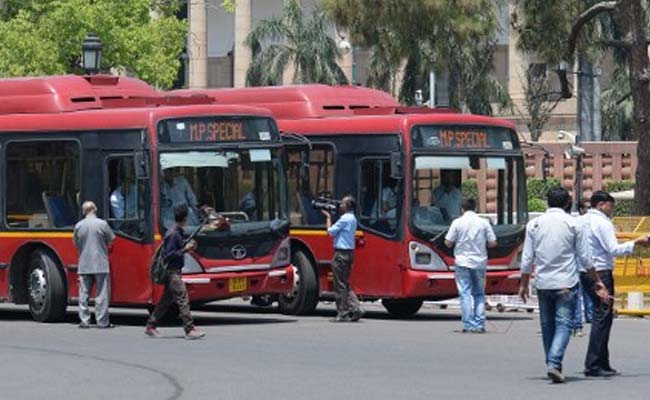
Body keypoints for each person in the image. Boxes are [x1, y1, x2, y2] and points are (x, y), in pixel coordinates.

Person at [519, 187, 611, 383]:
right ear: (567, 203)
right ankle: (554, 362)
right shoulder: (574, 224)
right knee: (564, 325)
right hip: (566, 283)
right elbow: (586, 259)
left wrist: (523, 283)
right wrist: (597, 282)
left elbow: (527, 258)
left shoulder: (534, 224)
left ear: (547, 202)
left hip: (543, 282)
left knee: (547, 325)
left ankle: (553, 363)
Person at [580, 191, 648, 377]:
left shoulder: (582, 221)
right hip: (601, 272)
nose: (612, 210)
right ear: (602, 204)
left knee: (603, 315)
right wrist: (637, 242)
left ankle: (602, 361)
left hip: (585, 271)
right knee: (602, 316)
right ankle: (594, 363)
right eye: (611, 206)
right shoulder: (602, 223)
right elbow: (613, 249)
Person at [145, 204, 206, 340]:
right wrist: (185, 249)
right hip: (172, 272)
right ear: (185, 218)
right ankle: (189, 329)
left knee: (166, 301)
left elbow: (183, 241)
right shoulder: (173, 234)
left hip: (174, 271)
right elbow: (169, 255)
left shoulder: (177, 232)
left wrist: (188, 245)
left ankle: (151, 325)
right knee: (183, 298)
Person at [444, 198, 497, 333]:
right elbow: (493, 243)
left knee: (465, 293)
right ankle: (479, 324)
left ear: (462, 209)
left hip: (462, 261)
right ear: (475, 208)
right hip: (479, 262)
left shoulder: (457, 222)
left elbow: (448, 242)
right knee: (479, 294)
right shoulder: (483, 223)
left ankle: (468, 324)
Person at [73, 201, 115, 329]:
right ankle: (102, 321)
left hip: (84, 263)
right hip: (100, 263)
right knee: (101, 294)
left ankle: (84, 321)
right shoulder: (102, 224)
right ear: (95, 209)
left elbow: (76, 243)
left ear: (84, 211)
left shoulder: (79, 226)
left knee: (83, 293)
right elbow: (111, 239)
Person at [322, 195, 363, 322]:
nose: (340, 205)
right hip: (349, 253)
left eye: (343, 204)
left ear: (348, 206)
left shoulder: (344, 219)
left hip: (341, 254)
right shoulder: (353, 218)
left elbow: (330, 232)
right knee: (344, 283)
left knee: (339, 285)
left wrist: (328, 217)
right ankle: (356, 308)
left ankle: (343, 313)